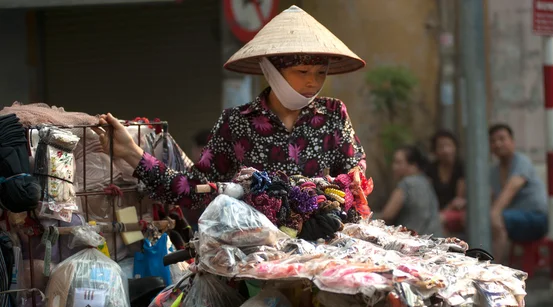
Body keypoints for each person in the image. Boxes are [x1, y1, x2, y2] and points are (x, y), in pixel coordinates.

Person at [92, 6, 366, 210]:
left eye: (320, 72)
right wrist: (132, 153)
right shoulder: (236, 122)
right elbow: (193, 188)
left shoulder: (333, 114)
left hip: (325, 253)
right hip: (256, 258)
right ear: (271, 70)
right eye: (302, 70)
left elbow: (356, 178)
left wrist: (332, 192)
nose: (312, 81)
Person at [488, 123, 548, 263]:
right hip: (513, 219)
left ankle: (492, 269)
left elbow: (510, 190)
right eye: (493, 141)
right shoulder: (493, 171)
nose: (497, 144)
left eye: (502, 139)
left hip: (537, 218)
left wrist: (493, 213)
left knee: (496, 218)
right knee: (483, 220)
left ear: (512, 142)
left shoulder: (522, 162)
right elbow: (489, 197)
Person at [375, 145, 443, 236]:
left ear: (413, 165)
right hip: (435, 239)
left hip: (413, 240)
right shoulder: (426, 182)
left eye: (398, 163)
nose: (394, 167)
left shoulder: (407, 184)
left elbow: (387, 215)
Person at [426, 130, 466, 235]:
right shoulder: (431, 169)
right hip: (436, 211)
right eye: (441, 147)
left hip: (456, 212)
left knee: (438, 221)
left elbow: (459, 199)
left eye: (449, 146)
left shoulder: (460, 167)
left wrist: (444, 211)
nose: (445, 150)